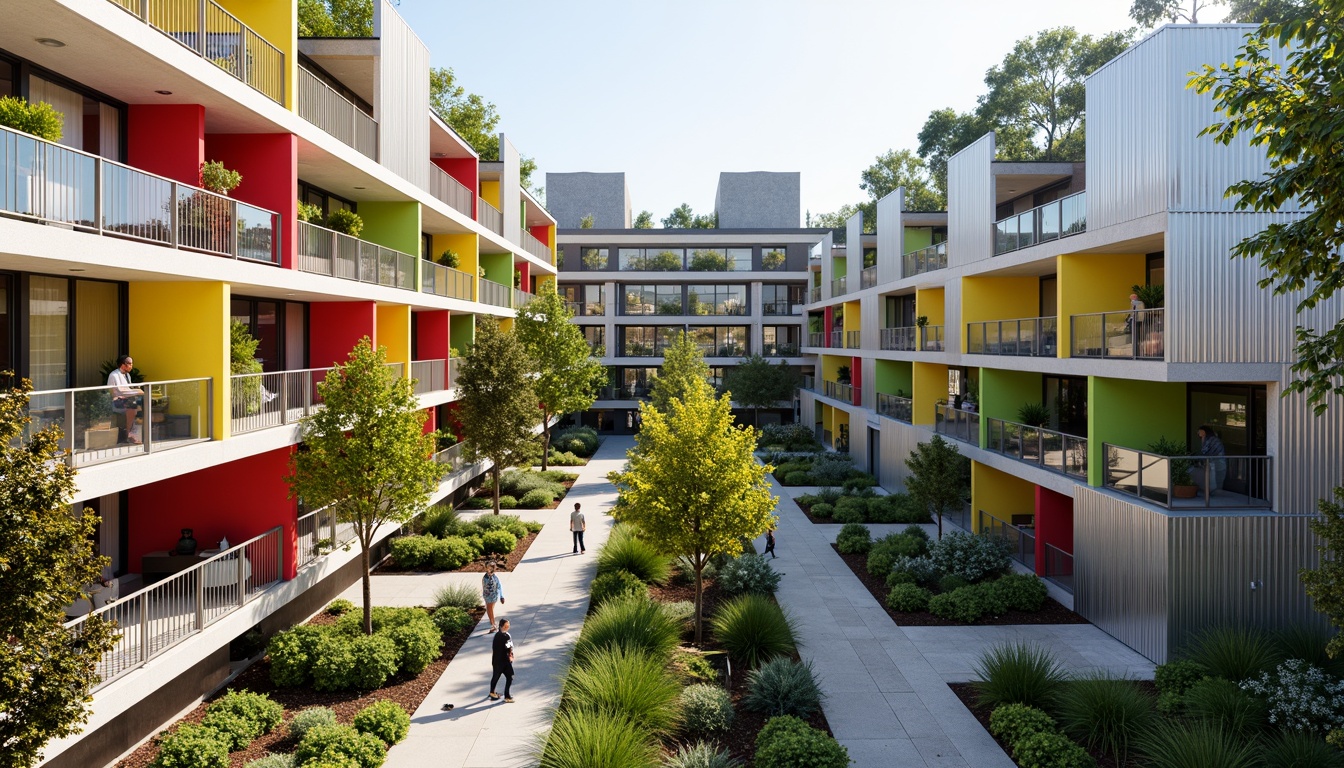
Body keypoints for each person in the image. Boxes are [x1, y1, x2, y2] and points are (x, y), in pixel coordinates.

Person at [107, 354, 143, 444]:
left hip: (126, 399)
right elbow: (120, 391)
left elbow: (127, 390)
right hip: (116, 401)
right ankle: (128, 433)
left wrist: (135, 391)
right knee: (133, 409)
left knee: (140, 405)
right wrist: (138, 391)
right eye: (130, 364)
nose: (132, 366)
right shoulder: (114, 375)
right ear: (123, 365)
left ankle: (136, 433)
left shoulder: (127, 375)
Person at [1194, 425, 1227, 496]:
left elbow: (1206, 451)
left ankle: (1216, 494)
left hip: (1218, 463)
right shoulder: (1207, 439)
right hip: (1213, 463)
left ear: (1204, 431)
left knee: (1217, 480)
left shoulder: (1213, 440)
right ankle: (1211, 494)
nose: (1198, 433)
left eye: (1200, 431)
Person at [489, 618, 514, 703]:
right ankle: (507, 696)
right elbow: (509, 648)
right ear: (501, 626)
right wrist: (511, 656)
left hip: (496, 660)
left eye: (508, 625)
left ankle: (492, 692)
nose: (508, 627)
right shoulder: (506, 636)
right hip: (504, 662)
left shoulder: (496, 635)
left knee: (495, 676)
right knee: (510, 677)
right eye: (506, 625)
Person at [481, 561, 504, 632]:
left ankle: (492, 622)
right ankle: (493, 624)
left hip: (494, 595)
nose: (492, 570)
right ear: (486, 568)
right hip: (488, 596)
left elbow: (499, 586)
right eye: (490, 568)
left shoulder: (495, 577)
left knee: (491, 608)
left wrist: (501, 596)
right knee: (489, 608)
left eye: (493, 569)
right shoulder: (485, 578)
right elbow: (485, 587)